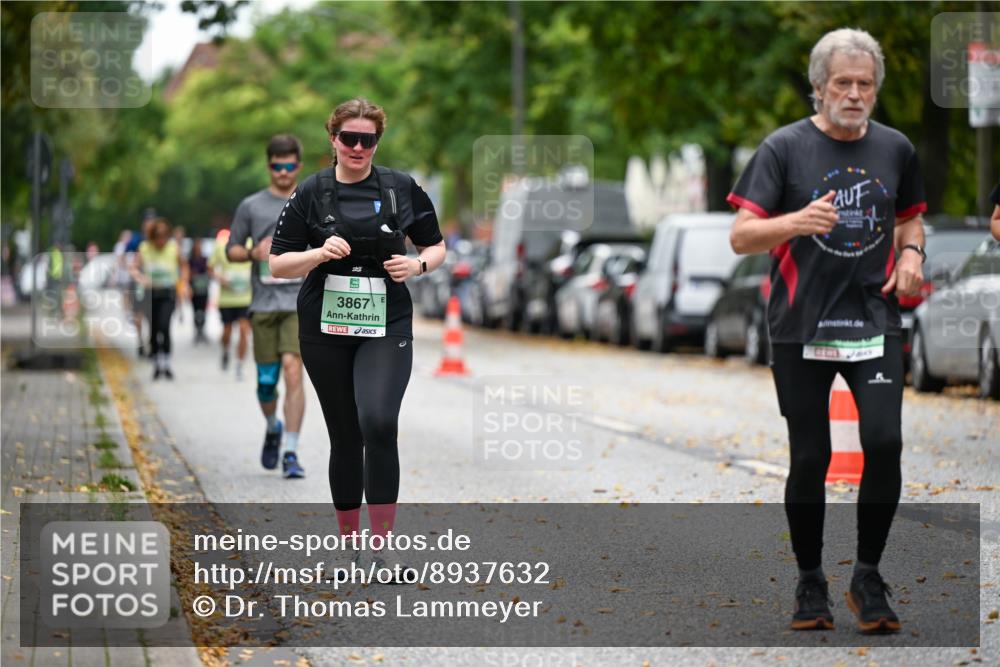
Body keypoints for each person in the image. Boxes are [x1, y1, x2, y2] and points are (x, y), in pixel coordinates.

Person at [728, 29, 926, 634]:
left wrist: (914, 255)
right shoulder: (783, 148)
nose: (855, 93)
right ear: (819, 88)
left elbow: (910, 220)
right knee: (811, 455)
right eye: (843, 82)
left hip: (874, 320)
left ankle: (868, 575)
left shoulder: (896, 149)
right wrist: (794, 221)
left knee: (885, 442)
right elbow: (741, 236)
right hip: (801, 325)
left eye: (865, 83)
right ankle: (810, 582)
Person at [269, 98, 446, 579]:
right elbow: (277, 263)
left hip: (386, 321)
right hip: (324, 326)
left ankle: (383, 550)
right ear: (333, 139)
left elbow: (436, 243)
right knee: (345, 435)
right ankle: (350, 551)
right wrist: (318, 253)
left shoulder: (400, 187)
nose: (358, 147)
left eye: (368, 139)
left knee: (379, 420)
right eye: (349, 138)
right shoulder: (311, 192)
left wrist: (418, 265)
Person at [227, 135, 307, 479]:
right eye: (278, 166)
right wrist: (252, 253)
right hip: (262, 303)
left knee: (293, 369)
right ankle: (273, 425)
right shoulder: (251, 206)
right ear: (269, 166)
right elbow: (231, 249)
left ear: (298, 167)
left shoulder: (311, 201)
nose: (284, 172)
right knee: (265, 381)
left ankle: (291, 451)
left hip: (298, 302)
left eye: (290, 166)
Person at [130, 218, 188, 379]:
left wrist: (183, 283)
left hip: (168, 293)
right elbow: (133, 268)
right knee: (154, 329)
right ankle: (156, 363)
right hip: (151, 294)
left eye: (164, 236)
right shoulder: (145, 249)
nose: (161, 241)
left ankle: (167, 362)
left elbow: (184, 266)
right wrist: (141, 278)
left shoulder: (173, 248)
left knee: (165, 326)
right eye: (158, 237)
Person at [209, 229, 252, 379]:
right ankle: (225, 350)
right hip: (227, 298)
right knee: (227, 330)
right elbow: (210, 268)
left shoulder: (251, 244)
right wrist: (221, 279)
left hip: (245, 297)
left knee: (243, 329)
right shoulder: (221, 245)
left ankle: (240, 364)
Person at [188, 239, 210, 344]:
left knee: (203, 311)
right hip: (194, 289)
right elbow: (188, 274)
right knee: (196, 311)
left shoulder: (204, 259)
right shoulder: (190, 260)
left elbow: (208, 271)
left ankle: (202, 330)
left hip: (204, 289)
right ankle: (197, 330)